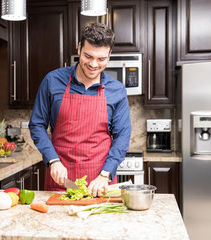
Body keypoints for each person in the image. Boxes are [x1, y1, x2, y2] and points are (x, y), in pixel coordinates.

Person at [29, 22, 131, 197]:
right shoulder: (52, 81)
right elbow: (37, 124)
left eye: (101, 59)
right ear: (79, 49)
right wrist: (53, 161)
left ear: (109, 55)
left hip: (100, 183)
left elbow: (122, 135)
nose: (93, 64)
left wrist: (105, 174)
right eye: (88, 56)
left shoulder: (117, 90)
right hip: (60, 179)